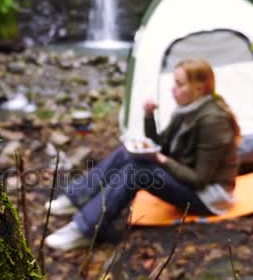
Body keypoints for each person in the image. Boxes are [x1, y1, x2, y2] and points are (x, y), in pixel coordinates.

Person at [44, 58, 241, 251]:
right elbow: (162, 145)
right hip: (189, 179)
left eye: (180, 84)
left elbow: (200, 179)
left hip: (209, 197)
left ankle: (84, 230)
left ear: (199, 88)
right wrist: (149, 116)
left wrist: (161, 160)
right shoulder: (189, 109)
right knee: (126, 153)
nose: (173, 89)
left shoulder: (213, 121)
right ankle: (76, 198)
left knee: (137, 172)